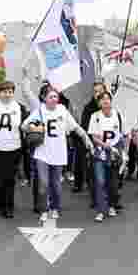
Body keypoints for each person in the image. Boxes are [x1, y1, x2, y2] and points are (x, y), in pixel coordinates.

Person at [22, 87, 89, 222]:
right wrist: (34, 128)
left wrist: (86, 138)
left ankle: (55, 207)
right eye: (51, 96)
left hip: (58, 152)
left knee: (56, 185)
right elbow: (24, 126)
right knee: (43, 183)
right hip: (42, 151)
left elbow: (75, 127)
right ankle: (44, 209)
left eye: (56, 96)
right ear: (45, 98)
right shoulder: (39, 110)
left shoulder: (62, 110)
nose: (54, 99)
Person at [0, 80, 28, 218]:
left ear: (13, 93)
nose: (7, 95)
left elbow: (26, 125)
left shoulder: (20, 108)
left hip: (13, 147)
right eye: (4, 92)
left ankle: (8, 206)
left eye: (10, 92)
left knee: (9, 179)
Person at [88, 90, 125, 223]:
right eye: (102, 99)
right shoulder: (95, 116)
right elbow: (94, 137)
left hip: (114, 155)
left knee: (112, 183)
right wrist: (106, 146)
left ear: (111, 100)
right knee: (100, 181)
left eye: (107, 98)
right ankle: (100, 210)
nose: (105, 101)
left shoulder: (117, 115)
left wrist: (121, 152)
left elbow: (121, 135)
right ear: (99, 103)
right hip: (100, 155)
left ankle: (111, 205)